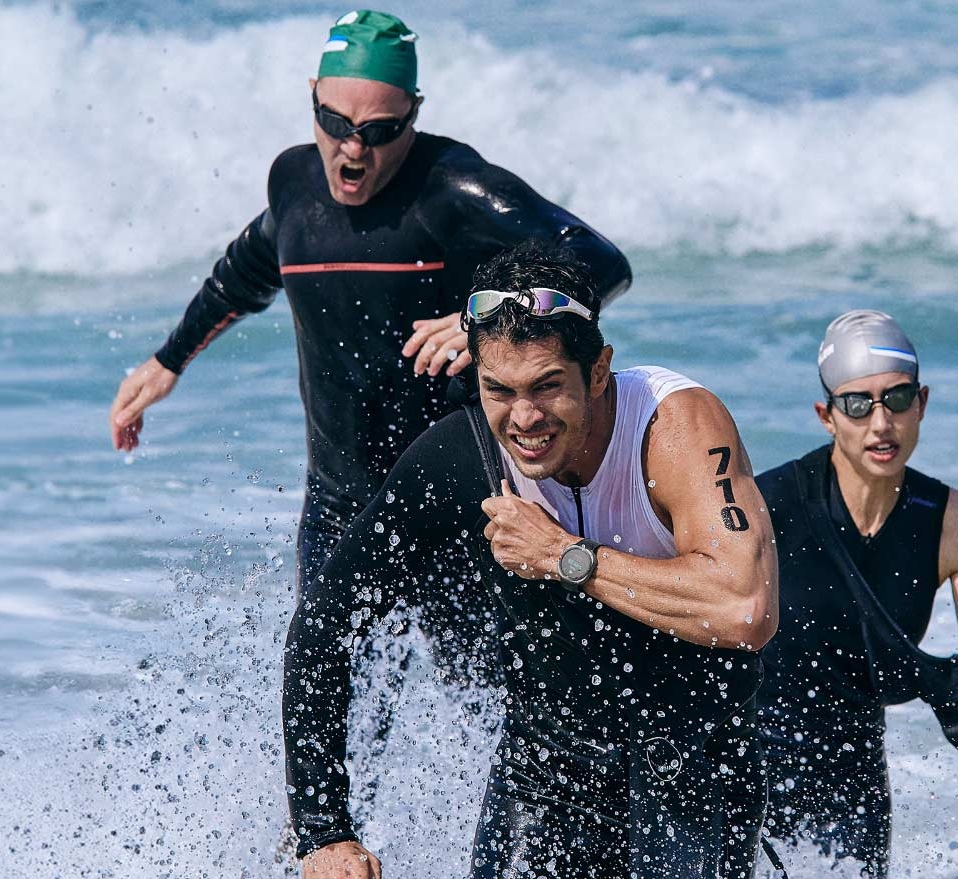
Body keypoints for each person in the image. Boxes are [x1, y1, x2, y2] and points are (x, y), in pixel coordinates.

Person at [283, 242, 777, 879]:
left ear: (600, 370)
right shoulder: (459, 458)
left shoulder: (676, 428)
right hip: (549, 774)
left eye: (549, 387)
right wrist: (324, 833)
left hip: (694, 772)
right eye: (498, 389)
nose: (524, 419)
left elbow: (745, 608)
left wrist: (567, 557)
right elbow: (325, 627)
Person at [106, 9, 630, 588]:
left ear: (414, 112)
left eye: (379, 130)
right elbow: (244, 272)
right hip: (338, 504)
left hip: (459, 500)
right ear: (313, 98)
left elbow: (599, 259)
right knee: (311, 671)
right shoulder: (293, 185)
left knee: (493, 677)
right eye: (334, 121)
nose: (353, 148)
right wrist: (168, 360)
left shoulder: (452, 187)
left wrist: (488, 316)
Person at [750, 310, 958, 879]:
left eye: (897, 399)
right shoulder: (769, 506)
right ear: (826, 414)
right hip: (749, 765)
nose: (881, 423)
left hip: (853, 779)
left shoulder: (955, 524)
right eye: (858, 404)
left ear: (921, 403)